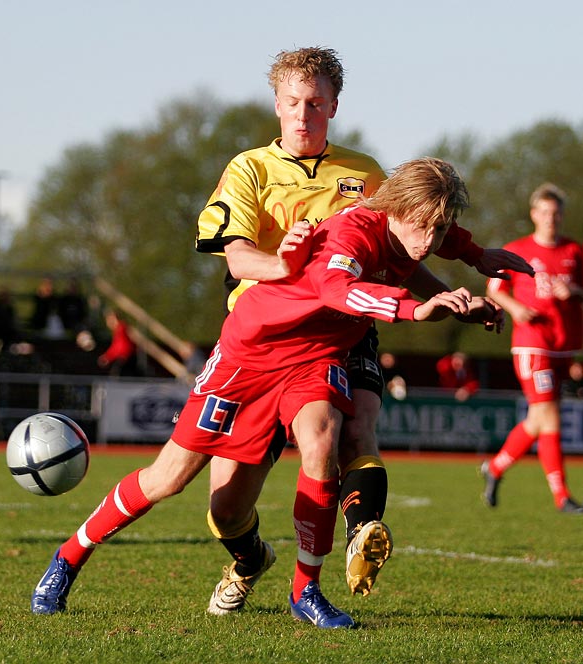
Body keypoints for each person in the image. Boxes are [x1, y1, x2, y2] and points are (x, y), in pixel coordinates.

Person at [30, 157, 502, 628]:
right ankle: (67, 559)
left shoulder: (409, 234)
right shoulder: (353, 232)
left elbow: (432, 241)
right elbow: (336, 288)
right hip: (251, 351)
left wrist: (468, 272)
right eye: (423, 226)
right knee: (171, 480)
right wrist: (417, 311)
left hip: (315, 357)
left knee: (321, 439)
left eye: (438, 231)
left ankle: (306, 591)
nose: (428, 241)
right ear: (395, 209)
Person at [195, 46, 534, 616]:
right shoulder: (248, 169)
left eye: (317, 104)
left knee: (352, 431)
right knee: (225, 504)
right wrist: (283, 267)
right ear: (277, 105)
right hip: (265, 337)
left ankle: (359, 536)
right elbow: (237, 261)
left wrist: (463, 272)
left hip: (350, 324)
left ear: (334, 107)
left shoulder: (366, 173)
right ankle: (249, 556)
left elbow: (415, 234)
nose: (304, 114)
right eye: (294, 103)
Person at [481, 183, 583, 513]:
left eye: (556, 213)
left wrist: (574, 291)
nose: (551, 218)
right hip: (532, 344)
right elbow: (495, 288)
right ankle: (561, 496)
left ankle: (495, 467)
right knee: (549, 416)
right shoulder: (518, 249)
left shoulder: (573, 251)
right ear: (534, 214)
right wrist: (515, 309)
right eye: (545, 212)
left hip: (564, 345)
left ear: (562, 215)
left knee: (540, 418)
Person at [97, 309, 138, 376]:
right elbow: (115, 346)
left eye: (109, 319)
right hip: (125, 357)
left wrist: (108, 357)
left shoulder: (121, 328)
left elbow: (122, 347)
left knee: (118, 373)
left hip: (126, 357)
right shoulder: (118, 330)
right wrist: (107, 356)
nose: (107, 322)